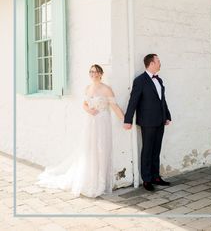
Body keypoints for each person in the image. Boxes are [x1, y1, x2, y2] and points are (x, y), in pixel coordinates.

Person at [37, 64, 124, 198]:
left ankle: (100, 182)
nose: (93, 74)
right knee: (89, 150)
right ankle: (89, 177)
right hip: (90, 122)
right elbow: (84, 104)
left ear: (101, 74)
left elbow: (114, 106)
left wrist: (125, 120)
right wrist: (89, 110)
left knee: (101, 149)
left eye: (96, 72)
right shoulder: (88, 88)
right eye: (91, 72)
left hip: (102, 122)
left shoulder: (107, 89)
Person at [124, 54, 171, 191]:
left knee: (156, 150)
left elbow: (162, 100)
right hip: (147, 121)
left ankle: (156, 176)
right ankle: (147, 179)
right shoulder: (140, 80)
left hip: (160, 120)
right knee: (147, 150)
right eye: (158, 61)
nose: (160, 63)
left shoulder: (159, 80)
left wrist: (167, 115)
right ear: (151, 63)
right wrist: (128, 120)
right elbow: (133, 101)